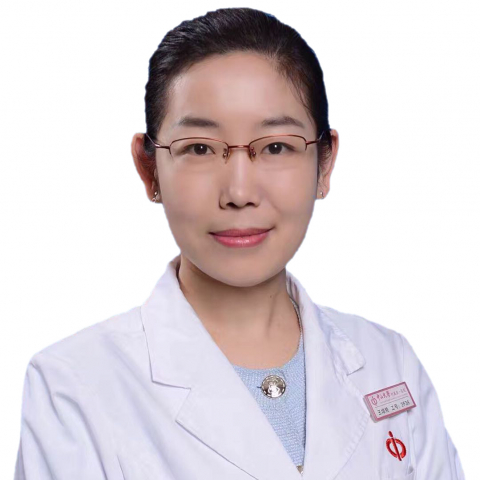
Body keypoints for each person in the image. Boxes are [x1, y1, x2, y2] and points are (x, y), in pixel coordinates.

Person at [14, 7, 464, 480]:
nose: (239, 192)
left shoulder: (389, 363)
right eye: (199, 149)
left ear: (324, 164)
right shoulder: (73, 388)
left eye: (275, 146)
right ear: (150, 170)